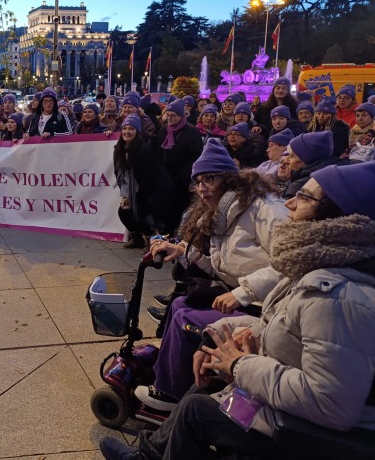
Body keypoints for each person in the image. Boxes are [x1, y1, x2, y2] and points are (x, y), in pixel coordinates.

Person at [100, 160, 375, 460]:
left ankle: (163, 403)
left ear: (335, 216)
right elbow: (287, 324)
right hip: (286, 396)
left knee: (197, 408)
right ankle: (148, 453)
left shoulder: (336, 296)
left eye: (305, 198)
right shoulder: (316, 268)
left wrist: (239, 365)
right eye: (198, 180)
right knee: (204, 369)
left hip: (303, 431)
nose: (291, 202)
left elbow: (331, 404)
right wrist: (225, 336)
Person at [136, 138, 288, 411]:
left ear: (230, 179)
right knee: (180, 303)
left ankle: (171, 393)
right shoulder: (222, 211)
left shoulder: (263, 208)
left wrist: (242, 293)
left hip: (270, 306)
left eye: (209, 179)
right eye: (198, 182)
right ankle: (169, 372)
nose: (202, 188)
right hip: (246, 297)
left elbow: (288, 263)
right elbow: (224, 267)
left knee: (185, 315)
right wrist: (184, 252)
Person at [113, 114, 175, 249]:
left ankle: (151, 241)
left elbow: (148, 180)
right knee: (123, 212)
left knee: (138, 211)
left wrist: (134, 198)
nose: (127, 132)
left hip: (154, 190)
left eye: (131, 129)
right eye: (125, 128)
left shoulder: (143, 150)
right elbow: (118, 174)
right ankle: (137, 239)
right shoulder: (118, 150)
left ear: (137, 132)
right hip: (133, 190)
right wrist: (126, 195)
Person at [154, 99, 203, 230]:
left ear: (181, 116)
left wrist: (183, 174)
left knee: (178, 209)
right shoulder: (164, 130)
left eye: (173, 115)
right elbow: (158, 149)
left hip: (181, 178)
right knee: (165, 209)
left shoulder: (192, 132)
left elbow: (195, 155)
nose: (169, 118)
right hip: (165, 177)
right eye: (168, 114)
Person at [284, 130, 335, 198]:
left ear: (304, 159)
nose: (287, 160)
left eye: (291, 156)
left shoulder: (300, 186)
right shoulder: (329, 178)